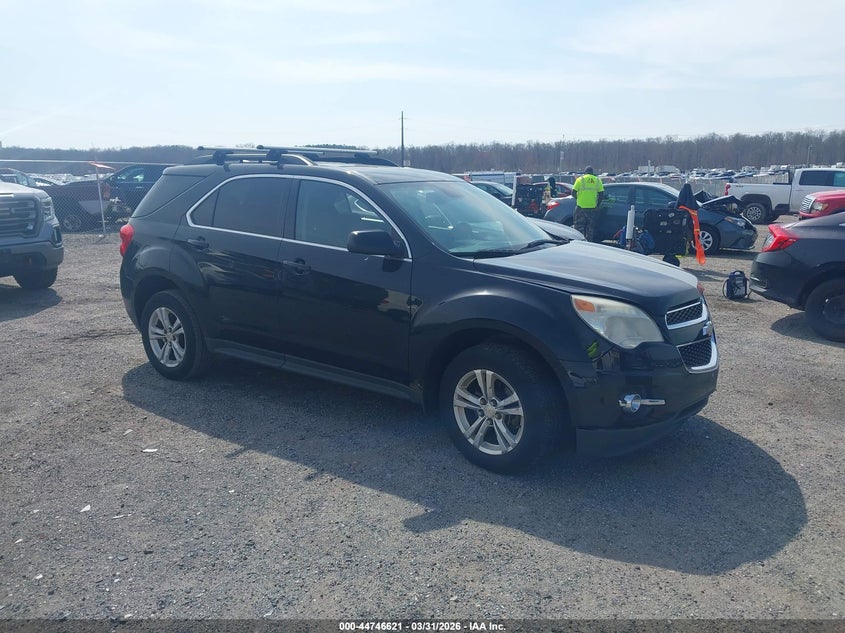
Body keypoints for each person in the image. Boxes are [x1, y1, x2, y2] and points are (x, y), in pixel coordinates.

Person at [571, 166, 604, 242]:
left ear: (585, 172)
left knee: (579, 227)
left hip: (581, 208)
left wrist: (579, 199)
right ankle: (588, 244)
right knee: (590, 229)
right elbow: (601, 194)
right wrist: (597, 205)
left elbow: (573, 192)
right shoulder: (598, 180)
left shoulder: (580, 179)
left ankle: (579, 242)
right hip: (592, 208)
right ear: (592, 173)